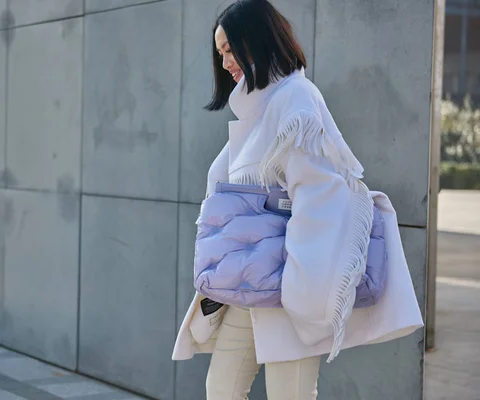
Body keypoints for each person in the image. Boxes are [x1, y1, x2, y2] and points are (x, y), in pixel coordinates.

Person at [172, 1, 424, 399]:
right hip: (250, 289)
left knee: (288, 395)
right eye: (219, 53)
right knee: (221, 388)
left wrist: (300, 292)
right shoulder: (259, 106)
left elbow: (319, 197)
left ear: (256, 40)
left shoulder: (296, 100)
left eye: (230, 49)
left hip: (289, 287)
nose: (224, 63)